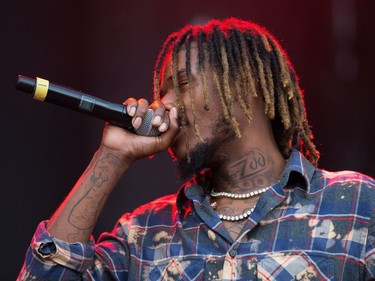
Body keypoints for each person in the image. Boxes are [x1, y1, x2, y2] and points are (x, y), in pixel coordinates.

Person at [18, 18, 375, 281]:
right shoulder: (142, 233)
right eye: (162, 93)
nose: (165, 105)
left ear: (246, 83)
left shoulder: (356, 204)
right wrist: (111, 157)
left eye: (182, 85)